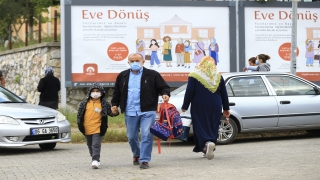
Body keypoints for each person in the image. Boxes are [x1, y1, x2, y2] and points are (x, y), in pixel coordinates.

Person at [111, 53, 170, 169]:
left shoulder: (152, 75)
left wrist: (165, 94)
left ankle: (144, 160)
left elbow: (164, 87)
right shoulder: (122, 76)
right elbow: (117, 92)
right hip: (130, 110)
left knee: (146, 135)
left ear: (143, 62)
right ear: (128, 63)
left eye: (137, 60)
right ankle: (137, 154)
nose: (134, 63)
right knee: (131, 137)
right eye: (131, 61)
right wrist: (114, 105)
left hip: (147, 110)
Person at [181, 56, 230, 160]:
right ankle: (208, 145)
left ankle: (206, 144)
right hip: (216, 104)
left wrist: (185, 106)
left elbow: (189, 91)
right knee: (213, 125)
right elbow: (224, 94)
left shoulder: (194, 75)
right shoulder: (218, 76)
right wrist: (226, 108)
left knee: (200, 125)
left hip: (199, 104)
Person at [77, 83, 118, 169]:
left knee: (96, 144)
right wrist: (79, 125)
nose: (95, 93)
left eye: (97, 91)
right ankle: (94, 158)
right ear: (90, 92)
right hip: (87, 128)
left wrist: (115, 112)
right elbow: (79, 115)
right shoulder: (84, 103)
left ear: (102, 93)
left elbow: (111, 113)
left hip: (98, 128)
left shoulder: (104, 103)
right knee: (90, 145)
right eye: (93, 91)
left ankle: (95, 160)